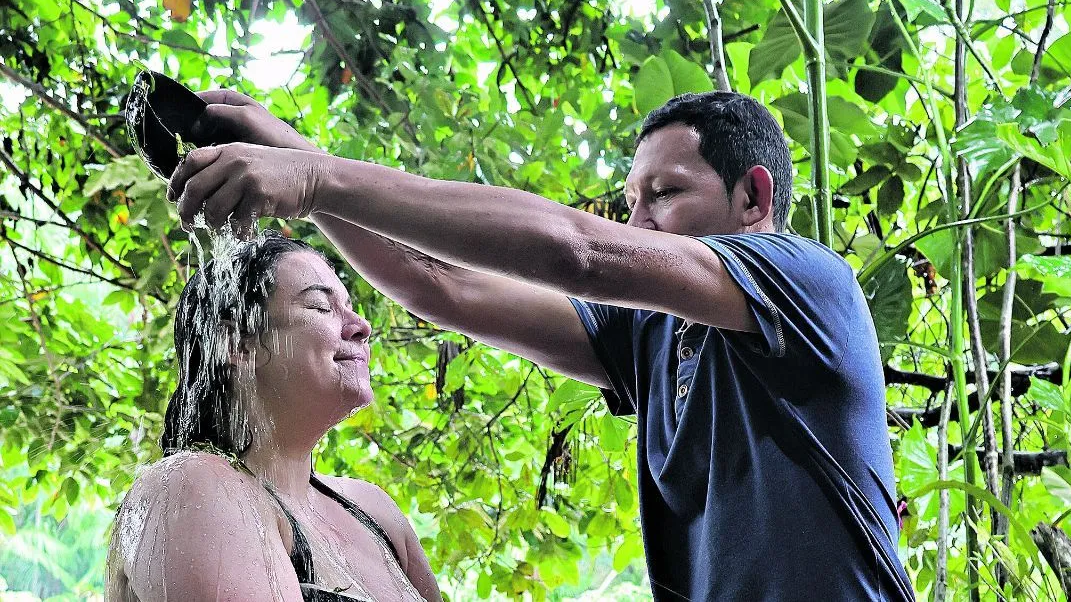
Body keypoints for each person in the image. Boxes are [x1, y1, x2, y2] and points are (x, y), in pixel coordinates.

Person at [171, 89, 916, 600]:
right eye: (631, 202)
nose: (639, 221)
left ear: (753, 198)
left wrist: (314, 177)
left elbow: (580, 252)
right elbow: (441, 286)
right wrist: (294, 152)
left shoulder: (805, 280)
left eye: (665, 194)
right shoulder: (649, 336)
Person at [105, 232, 440, 602]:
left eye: (349, 305)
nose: (361, 326)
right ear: (237, 344)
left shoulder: (374, 510)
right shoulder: (188, 486)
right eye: (319, 307)